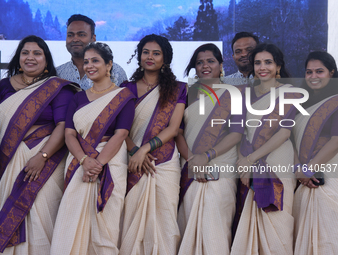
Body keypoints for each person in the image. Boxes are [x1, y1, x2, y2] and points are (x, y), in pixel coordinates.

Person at [50, 42, 135, 255]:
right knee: (71, 218)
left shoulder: (123, 96)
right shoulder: (78, 96)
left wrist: (98, 164)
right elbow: (69, 133)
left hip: (111, 162)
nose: (89, 65)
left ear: (109, 65)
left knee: (106, 222)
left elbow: (122, 133)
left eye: (95, 60)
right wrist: (84, 161)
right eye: (86, 61)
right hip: (79, 162)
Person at [0, 35, 78, 254]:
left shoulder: (58, 88)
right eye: (25, 52)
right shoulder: (4, 86)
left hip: (46, 162)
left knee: (41, 215)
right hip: (8, 159)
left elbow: (63, 126)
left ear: (46, 59)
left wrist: (42, 157)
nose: (30, 57)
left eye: (37, 53)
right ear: (18, 57)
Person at [119, 34, 186, 255]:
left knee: (165, 223)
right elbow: (120, 129)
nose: (150, 57)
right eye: (146, 52)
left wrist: (144, 150)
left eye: (156, 53)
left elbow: (173, 128)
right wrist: (134, 151)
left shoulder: (178, 89)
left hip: (164, 164)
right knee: (130, 220)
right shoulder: (125, 88)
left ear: (164, 59)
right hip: (130, 162)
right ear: (139, 56)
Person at [231, 43, 300, 255]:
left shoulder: (291, 93)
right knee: (249, 224)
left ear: (278, 66)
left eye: (268, 62)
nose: (263, 67)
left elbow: (284, 133)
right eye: (258, 62)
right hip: (247, 162)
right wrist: (244, 163)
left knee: (277, 223)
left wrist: (250, 160)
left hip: (278, 162)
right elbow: (239, 133)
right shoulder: (243, 94)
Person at [177, 43, 245, 254]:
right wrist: (192, 160)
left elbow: (236, 133)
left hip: (221, 168)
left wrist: (207, 156)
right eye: (199, 62)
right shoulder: (186, 93)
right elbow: (177, 132)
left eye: (210, 61)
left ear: (221, 65)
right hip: (191, 167)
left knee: (215, 227)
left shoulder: (234, 94)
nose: (205, 66)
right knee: (188, 224)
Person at [292, 51, 338, 254]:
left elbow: (336, 141)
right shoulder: (300, 102)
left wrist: (308, 170)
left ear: (332, 73)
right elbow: (290, 140)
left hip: (327, 176)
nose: (313, 76)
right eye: (309, 72)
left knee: (326, 239)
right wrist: (297, 170)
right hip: (302, 178)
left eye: (320, 71)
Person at [56, 14, 127, 89]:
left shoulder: (115, 71)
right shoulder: (58, 74)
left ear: (93, 38)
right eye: (70, 35)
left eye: (81, 35)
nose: (75, 39)